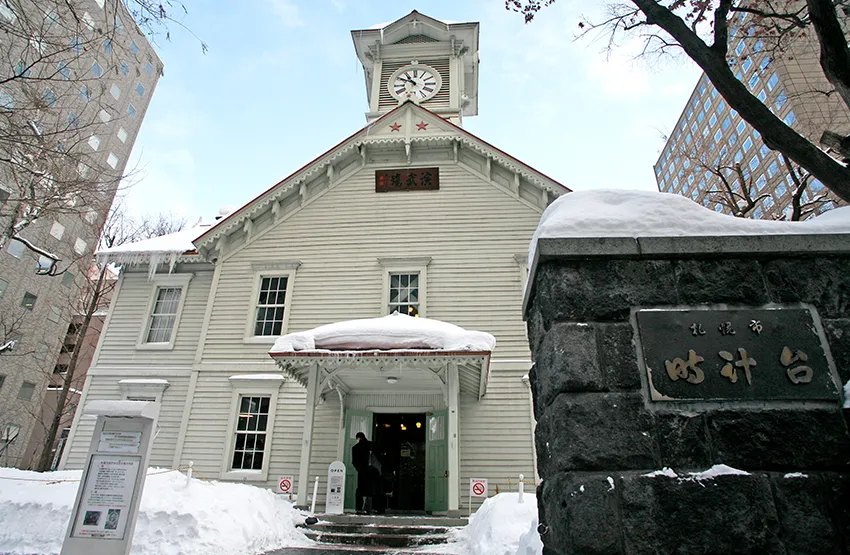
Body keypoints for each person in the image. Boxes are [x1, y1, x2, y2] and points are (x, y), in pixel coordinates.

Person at [352, 431, 378, 514]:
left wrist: (359, 468)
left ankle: (359, 508)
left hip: (362, 471)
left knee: (360, 490)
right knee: (371, 490)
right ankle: (370, 507)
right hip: (372, 471)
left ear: (358, 438)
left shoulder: (355, 448)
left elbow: (354, 462)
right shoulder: (372, 445)